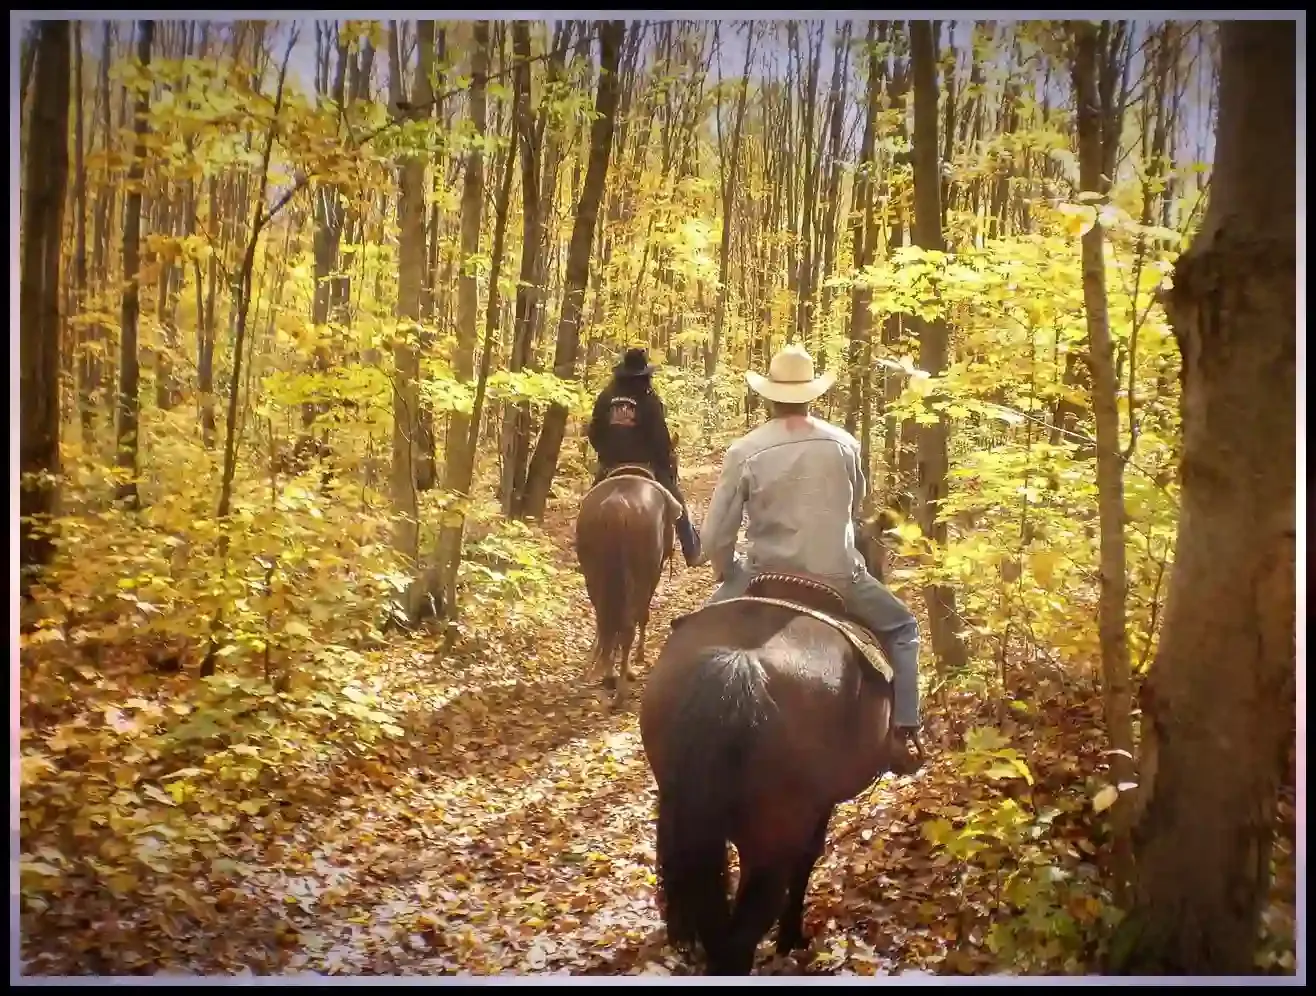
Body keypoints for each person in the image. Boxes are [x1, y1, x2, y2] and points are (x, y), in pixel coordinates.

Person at [699, 343, 925, 775]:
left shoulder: (744, 450)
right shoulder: (844, 444)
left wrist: (727, 571)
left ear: (769, 396)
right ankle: (904, 731)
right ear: (811, 395)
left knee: (693, 635)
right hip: (836, 576)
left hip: (763, 574)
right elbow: (855, 508)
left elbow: (714, 536)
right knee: (902, 628)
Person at [587, 347, 702, 567]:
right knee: (678, 505)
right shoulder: (649, 399)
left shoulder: (606, 396)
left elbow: (594, 433)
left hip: (611, 466)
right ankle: (692, 550)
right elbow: (660, 439)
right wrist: (664, 459)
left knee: (588, 505)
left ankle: (582, 551)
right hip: (646, 465)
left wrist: (607, 452)